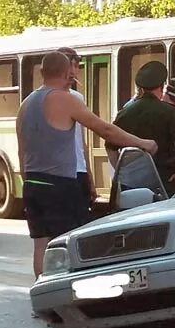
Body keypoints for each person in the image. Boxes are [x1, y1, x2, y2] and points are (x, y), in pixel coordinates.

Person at [16, 51, 157, 278]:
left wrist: (28, 182)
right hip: (60, 183)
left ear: (42, 72)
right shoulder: (63, 98)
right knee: (69, 243)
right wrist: (143, 143)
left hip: (32, 182)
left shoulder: (26, 104)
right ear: (66, 72)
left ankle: (42, 294)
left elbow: (21, 150)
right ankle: (66, 294)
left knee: (41, 244)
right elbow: (105, 129)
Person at [106, 61, 175, 197]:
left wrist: (121, 171)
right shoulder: (169, 112)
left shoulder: (125, 113)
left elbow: (110, 146)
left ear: (141, 88)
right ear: (162, 87)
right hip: (164, 180)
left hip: (131, 184)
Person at [57, 46, 95, 224]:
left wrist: (90, 177)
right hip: (66, 174)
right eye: (73, 65)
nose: (75, 71)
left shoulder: (77, 98)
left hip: (75, 172)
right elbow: (104, 129)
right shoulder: (67, 99)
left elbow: (81, 142)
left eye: (77, 66)